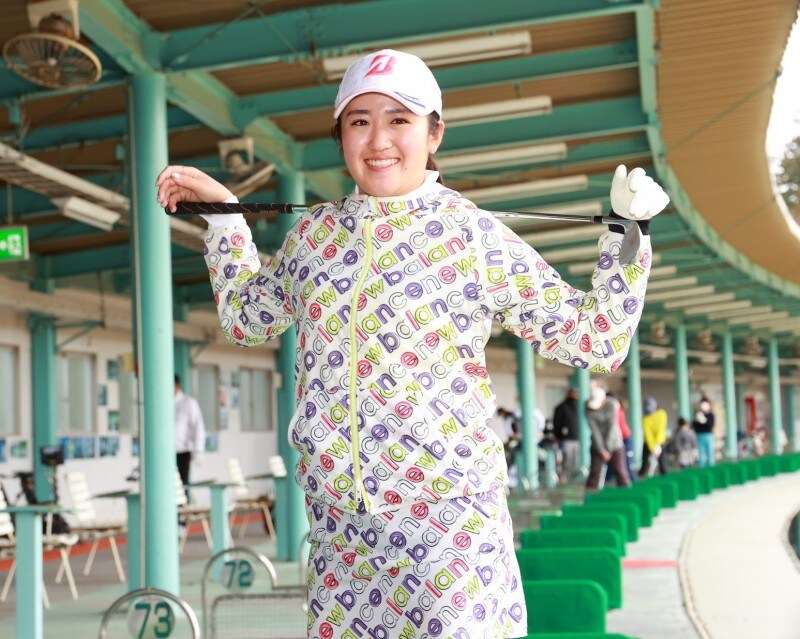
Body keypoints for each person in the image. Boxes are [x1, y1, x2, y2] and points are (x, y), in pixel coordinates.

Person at [156, 48, 668, 638]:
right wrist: (226, 221)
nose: (379, 140)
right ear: (340, 135)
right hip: (342, 537)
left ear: (434, 134)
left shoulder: (474, 235)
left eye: (399, 119)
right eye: (359, 120)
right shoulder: (313, 237)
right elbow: (248, 319)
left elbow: (594, 341)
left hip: (450, 530)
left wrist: (629, 237)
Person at [585, 382, 631, 489]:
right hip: (597, 446)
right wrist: (602, 450)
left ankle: (626, 494)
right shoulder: (587, 407)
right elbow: (595, 431)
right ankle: (590, 496)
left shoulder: (612, 405)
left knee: (621, 471)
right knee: (594, 473)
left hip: (615, 443)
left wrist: (608, 449)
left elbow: (612, 428)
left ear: (603, 400)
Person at [174, 374, 206, 491]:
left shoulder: (188, 402)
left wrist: (199, 450)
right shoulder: (163, 403)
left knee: (182, 486)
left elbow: (198, 427)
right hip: (165, 452)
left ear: (177, 385)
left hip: (182, 451)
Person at [553, 388, 581, 482]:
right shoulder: (561, 407)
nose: (575, 396)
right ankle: (565, 480)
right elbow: (556, 423)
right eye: (573, 393)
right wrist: (558, 436)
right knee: (566, 462)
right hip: (565, 440)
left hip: (576, 439)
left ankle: (573, 480)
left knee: (575, 462)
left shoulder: (576, 407)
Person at [641, 396, 668, 476]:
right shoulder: (645, 418)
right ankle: (641, 477)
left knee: (662, 463)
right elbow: (648, 434)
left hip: (660, 442)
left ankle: (665, 477)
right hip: (648, 443)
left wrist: (658, 445)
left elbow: (661, 430)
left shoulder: (662, 414)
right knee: (644, 462)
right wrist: (653, 448)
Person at [692, 396, 716, 467]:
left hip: (708, 435)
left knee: (710, 452)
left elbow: (711, 425)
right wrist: (697, 420)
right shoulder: (698, 414)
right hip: (700, 435)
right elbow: (694, 426)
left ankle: (711, 466)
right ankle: (702, 467)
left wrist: (704, 421)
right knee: (701, 453)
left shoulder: (710, 415)